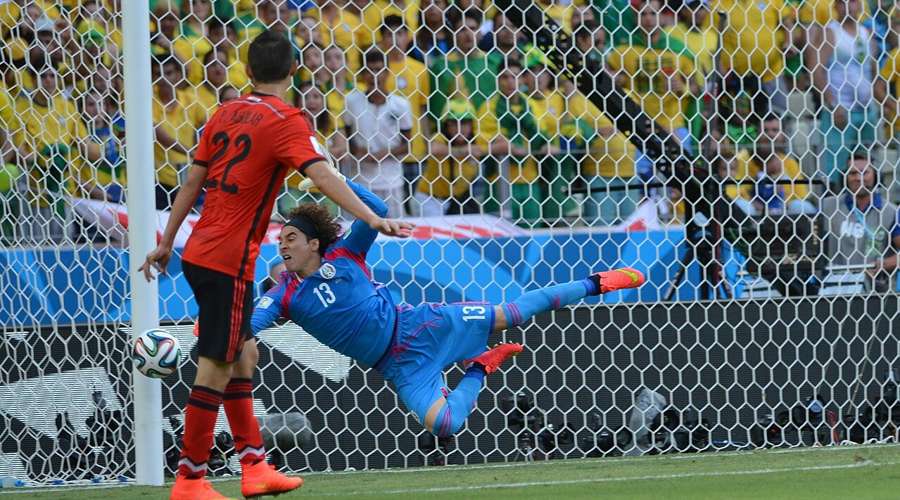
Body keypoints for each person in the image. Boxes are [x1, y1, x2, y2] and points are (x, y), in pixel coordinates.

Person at [139, 30, 413, 500]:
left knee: (244, 354)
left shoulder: (224, 112)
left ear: (248, 71)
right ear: (293, 72)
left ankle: (254, 466)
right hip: (227, 259)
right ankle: (190, 479)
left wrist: (166, 242)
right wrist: (370, 217)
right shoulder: (287, 119)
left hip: (201, 249)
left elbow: (192, 181)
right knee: (216, 366)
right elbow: (321, 174)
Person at [252, 177, 646, 438]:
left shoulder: (345, 254)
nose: (282, 245)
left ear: (314, 243)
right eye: (280, 241)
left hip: (420, 325)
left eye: (290, 238)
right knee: (444, 425)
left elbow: (376, 208)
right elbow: (250, 323)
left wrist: (331, 180)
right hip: (398, 365)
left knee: (509, 315)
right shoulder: (283, 296)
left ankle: (596, 283)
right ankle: (481, 367)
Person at [344, 48, 413, 217]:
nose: (374, 75)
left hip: (392, 181)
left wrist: (384, 153)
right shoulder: (351, 101)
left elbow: (407, 145)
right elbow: (347, 136)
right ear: (362, 74)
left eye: (378, 70)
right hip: (360, 180)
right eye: (369, 70)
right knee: (360, 227)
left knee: (393, 227)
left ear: (387, 72)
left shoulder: (401, 105)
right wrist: (357, 150)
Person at [820, 151, 900, 293]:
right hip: (834, 287)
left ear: (876, 176)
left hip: (876, 291)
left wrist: (884, 264)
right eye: (853, 173)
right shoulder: (827, 207)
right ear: (844, 178)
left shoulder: (891, 212)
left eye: (864, 173)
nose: (858, 178)